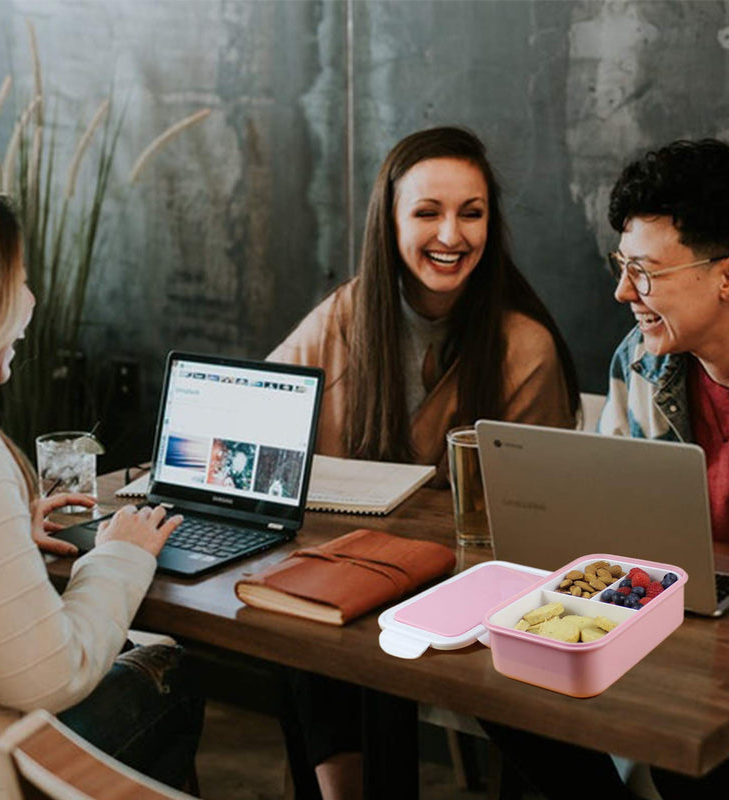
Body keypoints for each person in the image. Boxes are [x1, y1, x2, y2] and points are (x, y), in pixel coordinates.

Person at [270, 126, 580, 800]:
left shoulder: (522, 346)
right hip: (354, 576)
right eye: (427, 212)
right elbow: (267, 412)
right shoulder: (349, 313)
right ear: (390, 221)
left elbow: (537, 524)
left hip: (476, 595)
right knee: (300, 626)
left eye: (471, 213)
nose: (452, 234)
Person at [0, 172, 204, 799]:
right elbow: (47, 676)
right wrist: (120, 556)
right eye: (18, 279)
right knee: (169, 672)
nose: (30, 300)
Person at [483, 138, 729, 798]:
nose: (623, 292)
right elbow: (606, 530)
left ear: (725, 275)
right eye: (622, 267)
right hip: (667, 618)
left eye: (644, 272)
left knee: (691, 751)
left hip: (709, 650)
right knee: (502, 681)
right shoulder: (640, 360)